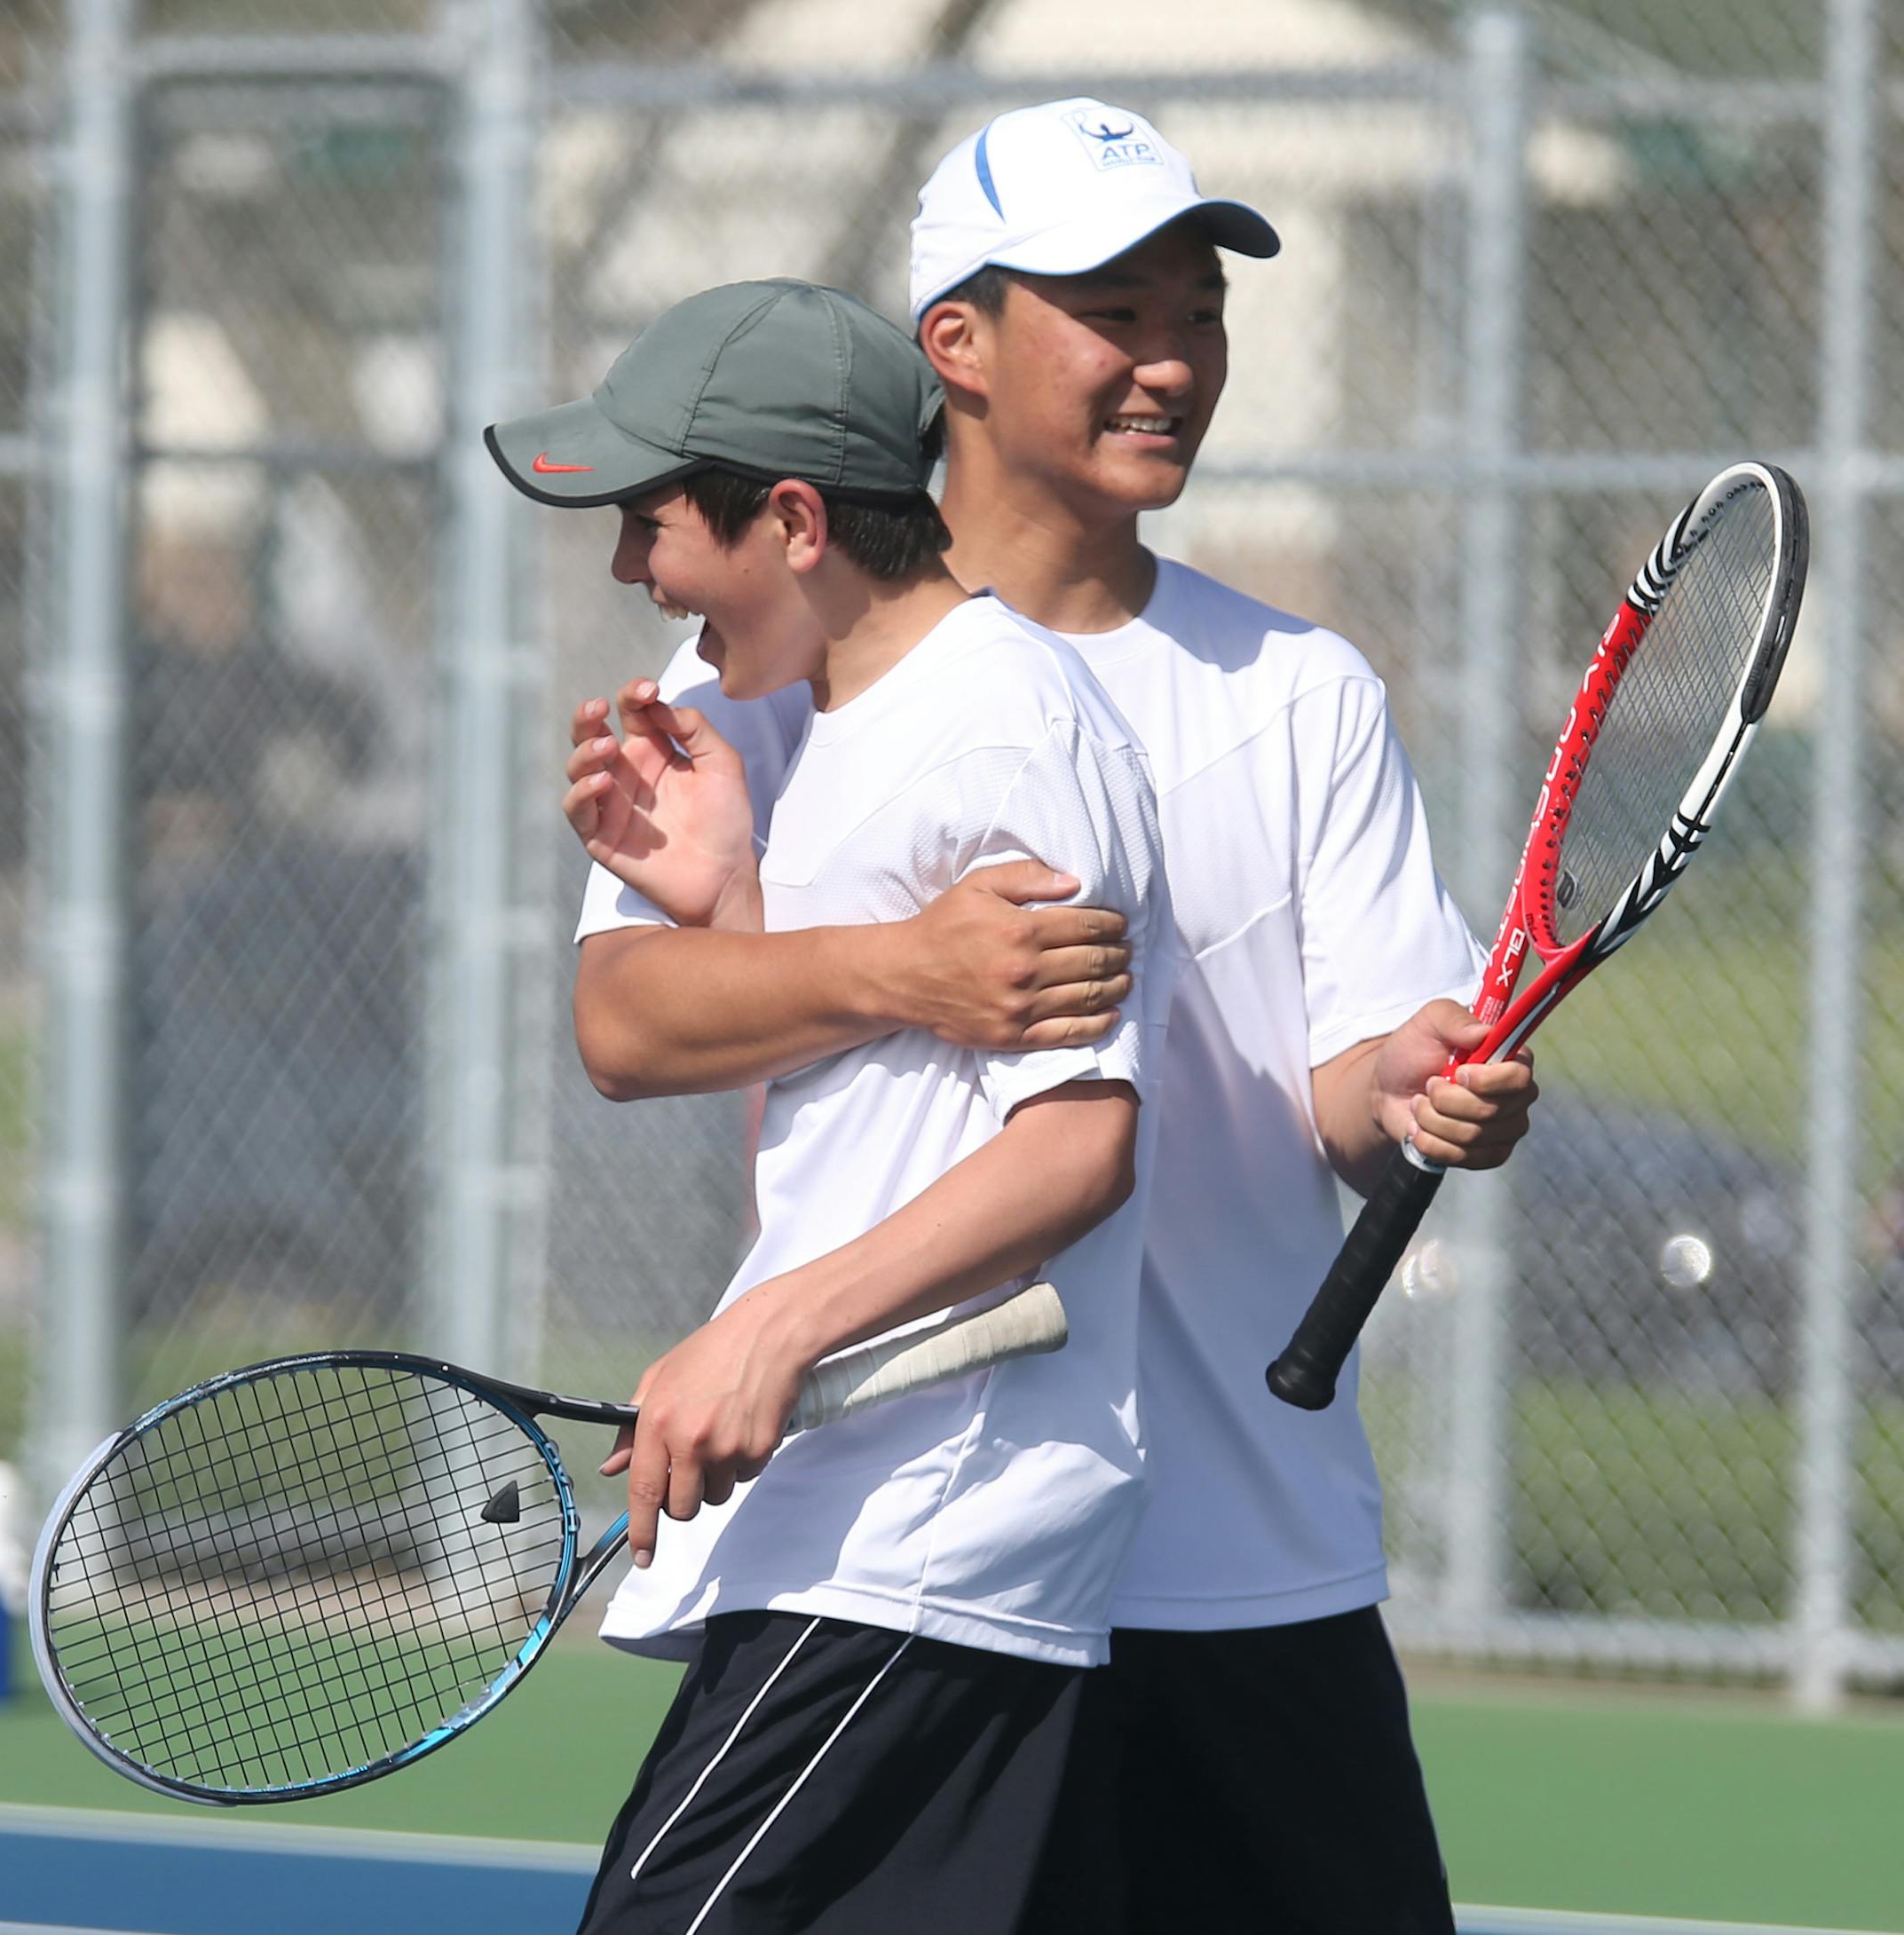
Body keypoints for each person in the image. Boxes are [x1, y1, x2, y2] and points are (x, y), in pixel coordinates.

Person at [561, 103, 1540, 1932]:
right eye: (1115, 310)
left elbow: (1337, 1089)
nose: (1172, 361)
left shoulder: (1304, 687)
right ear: (958, 344)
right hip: (924, 1531)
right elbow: (633, 1024)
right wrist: (895, 966)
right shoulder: (767, 646)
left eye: (1199, 313)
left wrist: (1412, 1087)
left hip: (1242, 1558)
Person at [486, 276, 1175, 1934]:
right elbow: (871, 1094)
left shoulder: (999, 731)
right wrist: (730, 901)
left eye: (653, 523)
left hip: (926, 1519)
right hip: (873, 1513)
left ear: (793, 518)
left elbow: (1079, 1142)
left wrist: (773, 1329)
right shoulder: (838, 725)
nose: (628, 569)